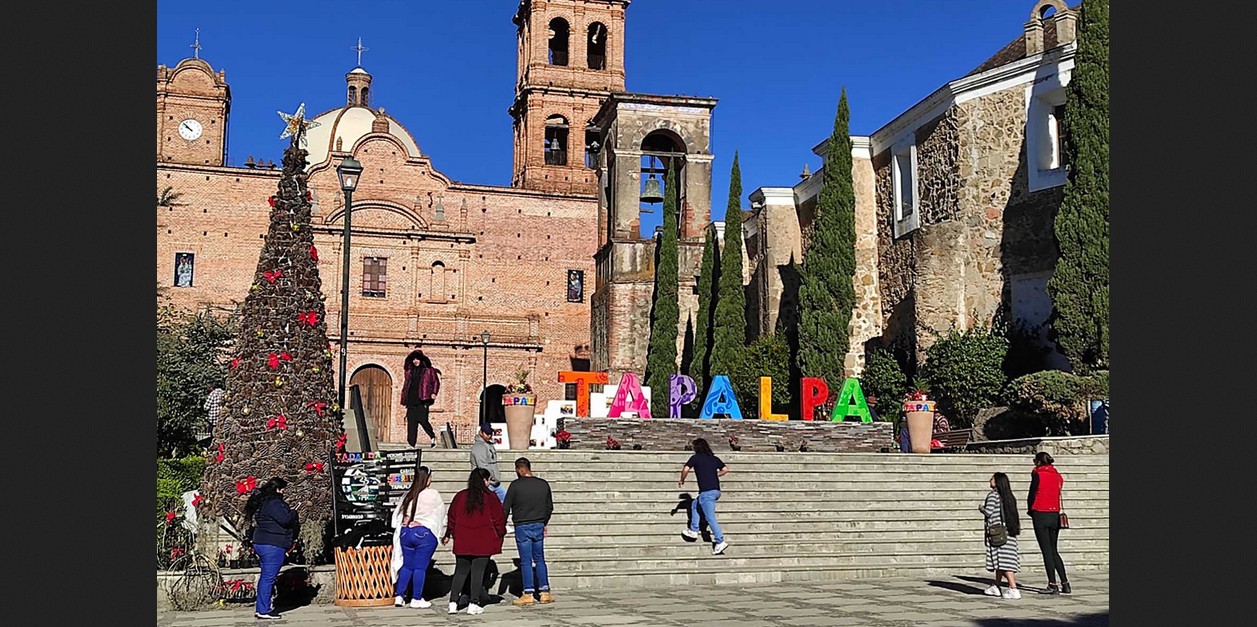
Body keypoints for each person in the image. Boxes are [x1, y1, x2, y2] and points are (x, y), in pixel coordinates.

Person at [444, 468, 507, 615]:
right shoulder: (490, 497)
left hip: (463, 540)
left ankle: (453, 602)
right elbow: (499, 519)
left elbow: (451, 517)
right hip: (483, 540)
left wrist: (449, 533)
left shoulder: (460, 496)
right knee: (478, 573)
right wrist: (501, 533)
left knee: (460, 572)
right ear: (484, 480)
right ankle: (473, 603)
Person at [244, 477, 299, 620]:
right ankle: (263, 610)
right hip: (273, 544)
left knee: (266, 576)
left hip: (262, 542)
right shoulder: (274, 503)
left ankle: (262, 607)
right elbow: (285, 519)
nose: (284, 492)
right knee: (268, 577)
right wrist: (293, 512)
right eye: (282, 489)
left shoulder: (263, 502)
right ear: (277, 489)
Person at [391, 466, 445, 609]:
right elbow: (440, 513)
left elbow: (404, 516)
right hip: (424, 532)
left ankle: (399, 596)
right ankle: (416, 597)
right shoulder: (432, 494)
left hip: (406, 532)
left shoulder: (410, 494)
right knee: (420, 567)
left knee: (407, 565)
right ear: (427, 479)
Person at [503, 457, 554, 605]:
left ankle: (528, 592)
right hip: (538, 524)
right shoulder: (543, 484)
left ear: (520, 469)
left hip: (522, 525)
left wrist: (501, 525)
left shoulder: (515, 486)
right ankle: (545, 592)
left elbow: (506, 507)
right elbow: (549, 507)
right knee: (539, 559)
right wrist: (544, 521)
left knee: (526, 561)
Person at [1028, 452, 1071, 594]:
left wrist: (1030, 510)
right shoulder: (1057, 475)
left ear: (1039, 462)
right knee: (1054, 550)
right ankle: (1065, 582)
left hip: (1040, 512)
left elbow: (1032, 493)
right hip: (1054, 514)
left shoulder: (1037, 473)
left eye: (1035, 460)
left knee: (1046, 551)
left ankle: (1052, 584)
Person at [678, 437, 729, 555]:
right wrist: (715, 475)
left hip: (707, 492)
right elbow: (725, 469)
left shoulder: (695, 458)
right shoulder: (714, 459)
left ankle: (720, 541)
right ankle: (694, 530)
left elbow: (685, 469)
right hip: (715, 491)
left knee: (710, 518)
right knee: (695, 505)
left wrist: (682, 480)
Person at [981, 472, 1022, 599]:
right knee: (1001, 559)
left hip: (997, 533)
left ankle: (1013, 588)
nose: (990, 480)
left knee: (1004, 561)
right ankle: (996, 585)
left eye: (992, 478)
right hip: (1009, 532)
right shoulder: (1009, 496)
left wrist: (981, 508)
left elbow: (989, 512)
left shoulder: (993, 496)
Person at [400, 350, 441, 448]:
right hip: (411, 400)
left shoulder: (429, 370)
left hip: (423, 399)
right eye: (413, 359)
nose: (415, 361)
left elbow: (435, 382)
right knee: (412, 423)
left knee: (423, 420)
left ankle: (432, 436)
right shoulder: (409, 372)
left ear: (421, 360)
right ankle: (411, 443)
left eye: (417, 359)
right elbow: (406, 385)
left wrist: (434, 393)